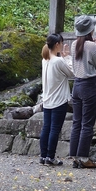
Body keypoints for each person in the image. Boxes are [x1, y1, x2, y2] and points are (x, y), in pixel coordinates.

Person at [68, 15, 96, 169]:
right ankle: (83, 157)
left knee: (77, 122)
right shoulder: (93, 46)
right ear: (91, 30)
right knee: (87, 123)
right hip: (89, 85)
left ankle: (75, 156)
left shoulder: (73, 44)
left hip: (76, 85)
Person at [38, 32, 73, 166]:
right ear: (57, 44)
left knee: (46, 128)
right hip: (59, 100)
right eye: (61, 43)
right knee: (54, 129)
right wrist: (67, 57)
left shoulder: (45, 60)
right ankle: (50, 157)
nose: (62, 45)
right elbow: (71, 73)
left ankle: (43, 156)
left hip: (47, 99)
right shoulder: (58, 61)